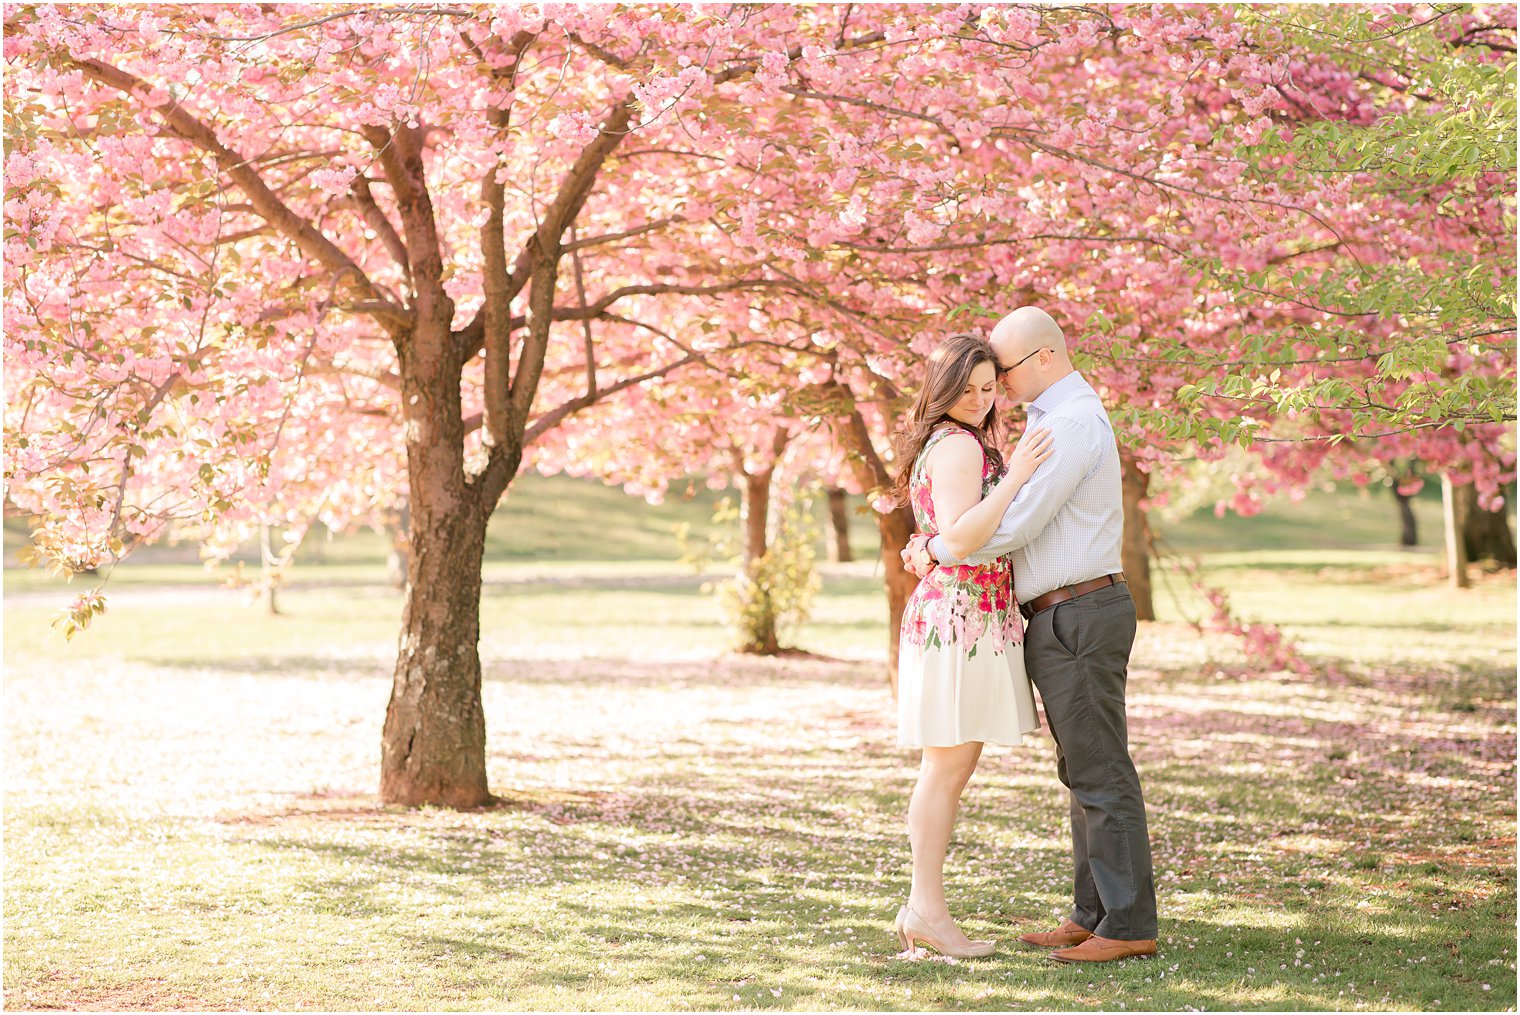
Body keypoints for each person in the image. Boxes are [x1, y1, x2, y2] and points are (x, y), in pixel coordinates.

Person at [902, 307, 1159, 964]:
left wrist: (935, 546)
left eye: (1001, 375)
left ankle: (1125, 921)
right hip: (1053, 611)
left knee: (1098, 767)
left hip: (1079, 609)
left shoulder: (1068, 425)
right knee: (1080, 766)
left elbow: (1014, 524)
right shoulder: (1045, 422)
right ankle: (1093, 910)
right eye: (978, 384)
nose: (996, 393)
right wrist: (948, 539)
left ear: (1042, 357)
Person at [890, 333, 1054, 959]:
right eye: (968, 388)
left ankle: (923, 906)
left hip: (967, 614)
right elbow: (959, 539)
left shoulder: (959, 442)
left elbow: (943, 537)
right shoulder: (959, 446)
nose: (981, 400)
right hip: (959, 616)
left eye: (990, 389)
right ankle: (925, 909)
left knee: (948, 767)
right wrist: (1015, 478)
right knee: (947, 767)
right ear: (944, 388)